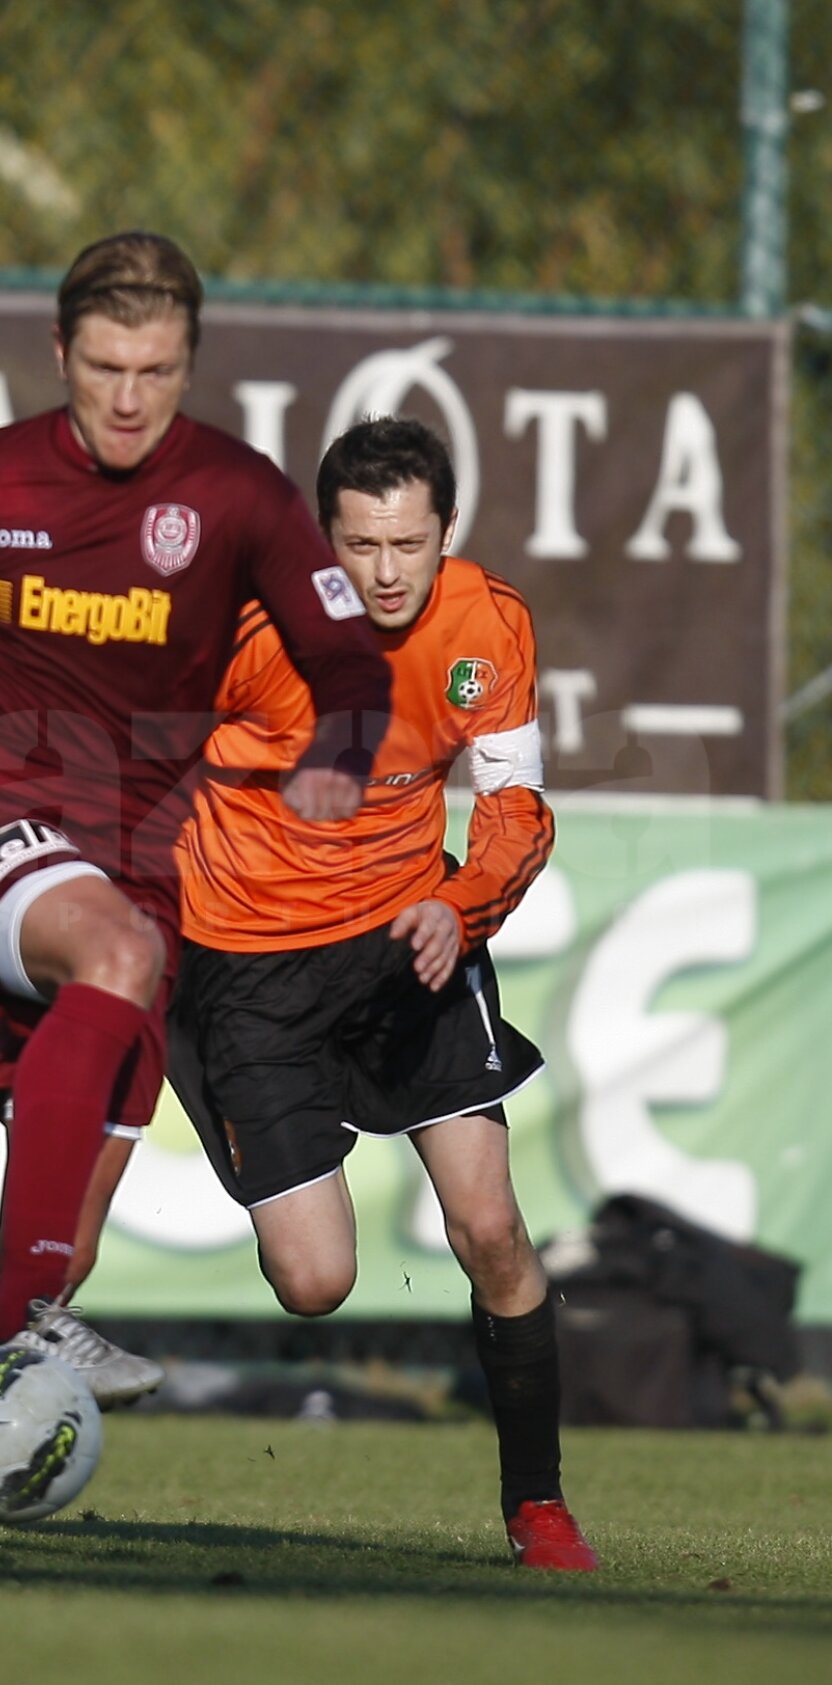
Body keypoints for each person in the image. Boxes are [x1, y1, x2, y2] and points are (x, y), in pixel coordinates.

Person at [0, 231, 392, 1573]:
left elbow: (349, 662)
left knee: (58, 1240)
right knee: (117, 956)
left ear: (189, 360)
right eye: (105, 367)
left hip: (138, 862)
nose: (130, 398)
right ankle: (28, 1317)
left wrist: (340, 754)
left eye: (158, 370)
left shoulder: (238, 495)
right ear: (59, 352)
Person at [167, 415, 598, 1572]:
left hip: (412, 940)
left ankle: (538, 1503)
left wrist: (465, 903)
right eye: (360, 544)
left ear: (447, 528)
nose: (387, 569)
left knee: (492, 1224)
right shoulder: (249, 627)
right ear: (325, 537)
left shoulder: (488, 621)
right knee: (315, 1281)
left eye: (409, 541)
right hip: (248, 965)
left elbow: (514, 802)